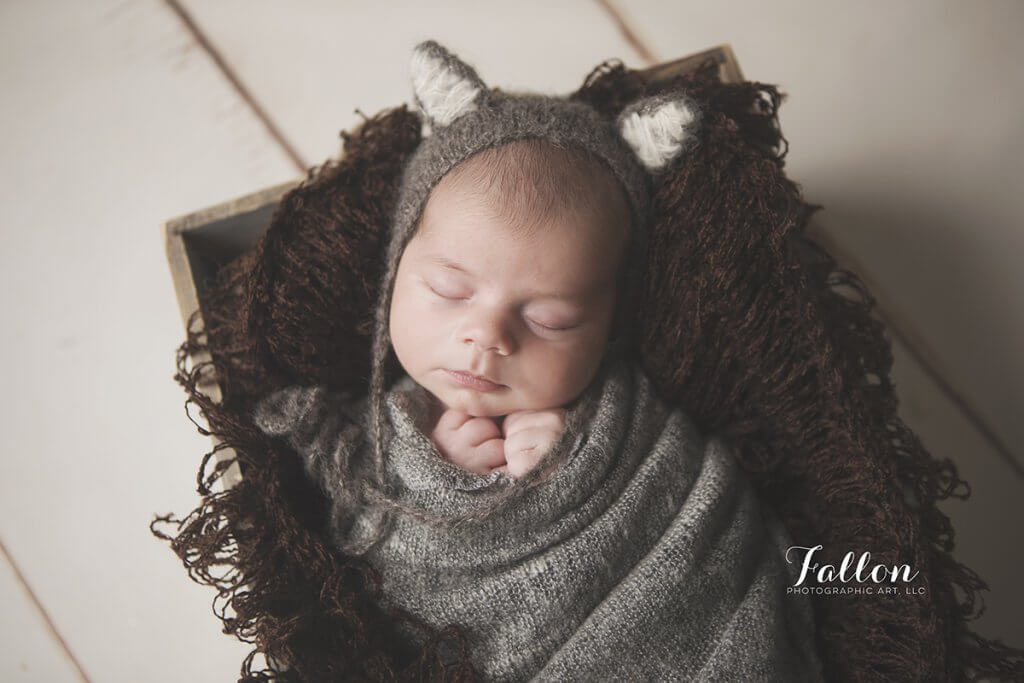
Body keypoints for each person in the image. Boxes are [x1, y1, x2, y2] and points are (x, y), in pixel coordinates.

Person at [251, 40, 824, 681]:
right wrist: (428, 468)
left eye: (548, 319)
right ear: (394, 270)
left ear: (608, 328)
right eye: (448, 290)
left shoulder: (629, 421)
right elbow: (367, 567)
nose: (488, 336)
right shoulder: (372, 439)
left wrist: (578, 454)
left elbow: (706, 523)